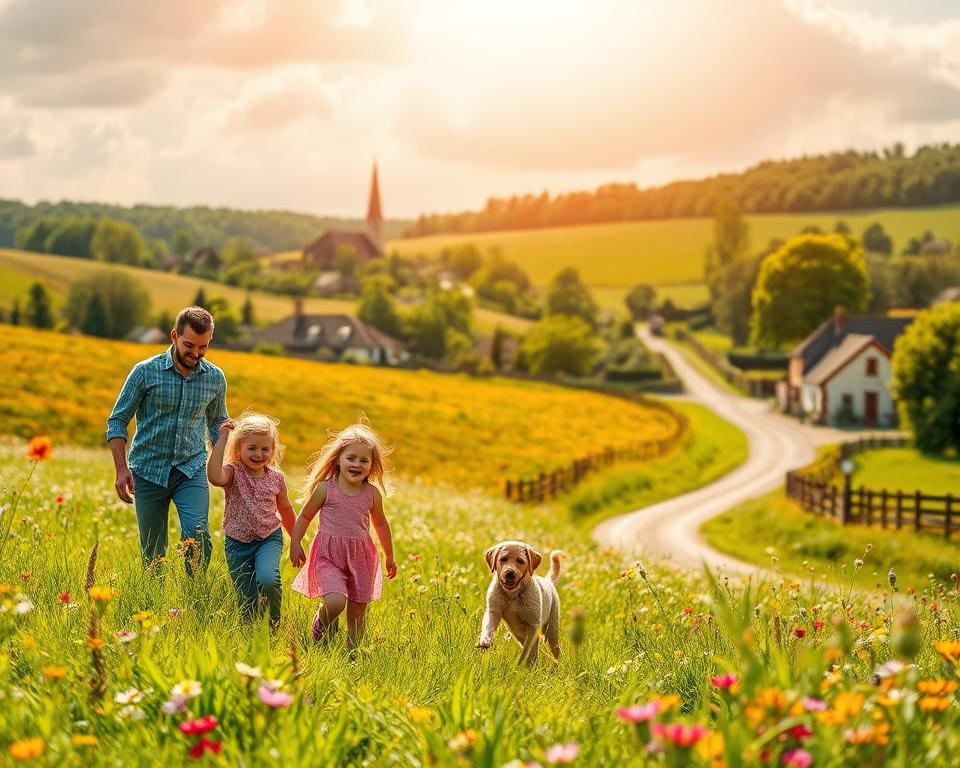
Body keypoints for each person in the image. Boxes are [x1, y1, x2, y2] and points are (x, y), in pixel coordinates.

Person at [106, 306, 228, 573]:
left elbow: (217, 423)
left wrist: (229, 458)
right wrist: (121, 469)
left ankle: (195, 590)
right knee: (153, 554)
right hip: (148, 470)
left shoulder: (215, 379)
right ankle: (155, 595)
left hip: (190, 469)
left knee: (198, 535)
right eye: (189, 345)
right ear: (174, 336)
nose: (196, 354)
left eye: (203, 347)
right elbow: (117, 421)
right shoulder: (144, 372)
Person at [289, 422, 397, 651]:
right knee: (336, 601)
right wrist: (295, 542)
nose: (357, 464)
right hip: (328, 556)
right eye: (351, 458)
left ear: (372, 466)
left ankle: (352, 655)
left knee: (358, 611)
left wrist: (389, 555)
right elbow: (305, 516)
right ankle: (321, 623)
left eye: (364, 460)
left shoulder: (372, 494)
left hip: (361, 558)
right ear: (338, 459)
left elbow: (381, 524)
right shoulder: (325, 489)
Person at [207, 412, 296, 631]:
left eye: (265, 449)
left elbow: (285, 509)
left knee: (267, 579)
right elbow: (214, 477)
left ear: (273, 450)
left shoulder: (277, 478)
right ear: (239, 448)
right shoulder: (233, 472)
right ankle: (251, 632)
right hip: (237, 543)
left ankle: (273, 623)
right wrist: (222, 439)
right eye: (252, 448)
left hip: (269, 538)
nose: (258, 454)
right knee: (246, 599)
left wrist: (295, 540)